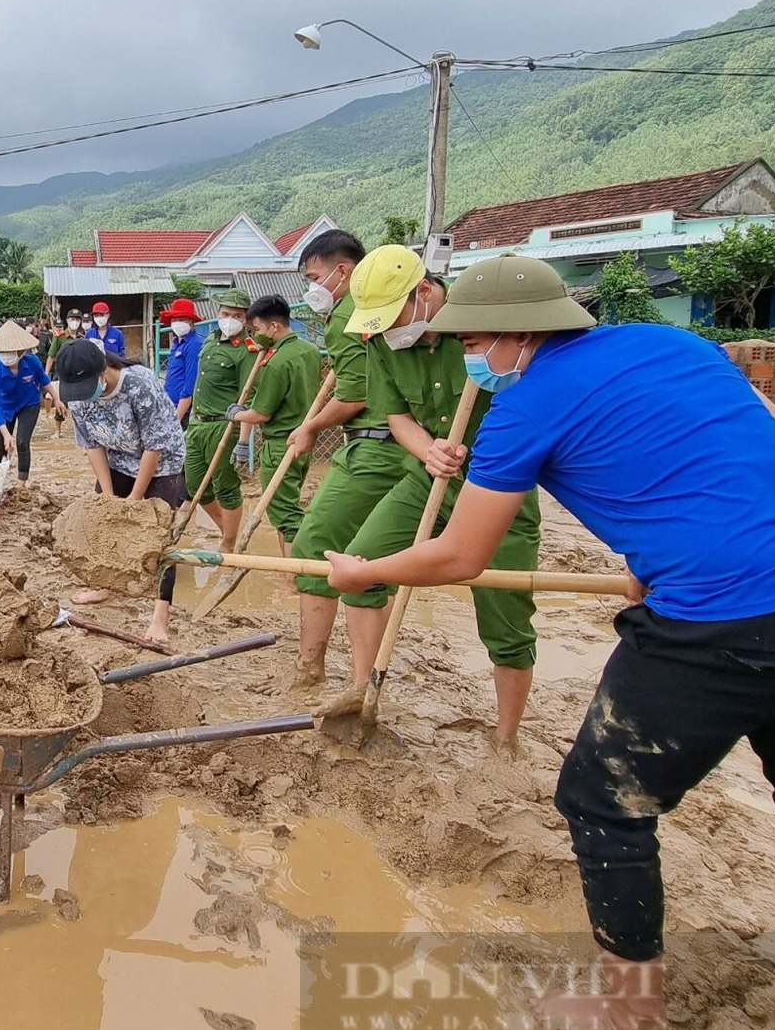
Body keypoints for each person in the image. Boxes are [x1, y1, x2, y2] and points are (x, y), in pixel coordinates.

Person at [324, 254, 775, 1030]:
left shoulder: (527, 408)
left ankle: (631, 1012)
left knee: (602, 801)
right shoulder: (685, 347)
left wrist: (366, 570)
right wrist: (647, 557)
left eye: (479, 342)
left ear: (521, 334)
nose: (474, 360)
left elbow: (460, 556)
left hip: (726, 626)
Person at [303, 247, 545, 738]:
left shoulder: (486, 335)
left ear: (426, 292)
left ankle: (506, 736)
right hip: (428, 478)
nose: (390, 331)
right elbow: (397, 416)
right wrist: (428, 451)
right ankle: (362, 689)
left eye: (395, 317)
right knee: (361, 566)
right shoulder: (380, 341)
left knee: (506, 618)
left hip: (501, 487)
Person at [282, 230, 398, 689]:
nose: (312, 287)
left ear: (343, 271)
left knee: (315, 546)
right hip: (406, 445)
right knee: (368, 559)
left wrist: (310, 427)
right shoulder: (379, 312)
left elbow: (355, 396)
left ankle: (310, 666)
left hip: (375, 446)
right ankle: (363, 680)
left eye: (314, 276)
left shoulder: (349, 315)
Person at [56, 339, 187, 646]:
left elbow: (155, 445)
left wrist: (133, 500)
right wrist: (109, 497)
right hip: (116, 458)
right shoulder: (76, 396)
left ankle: (159, 616)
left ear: (103, 370)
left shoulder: (140, 384)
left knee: (158, 538)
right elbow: (91, 445)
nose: (83, 396)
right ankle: (106, 585)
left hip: (161, 461)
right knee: (102, 522)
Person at [229, 294, 324, 548]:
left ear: (274, 326)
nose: (255, 334)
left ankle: (296, 577)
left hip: (280, 444)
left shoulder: (278, 362)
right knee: (288, 506)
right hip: (304, 440)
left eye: (257, 329)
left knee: (285, 516)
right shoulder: (310, 351)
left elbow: (261, 413)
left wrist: (236, 414)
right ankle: (291, 572)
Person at [181, 288, 259, 540]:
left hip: (223, 426)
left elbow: (248, 398)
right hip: (198, 424)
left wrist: (244, 441)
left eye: (237, 315)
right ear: (217, 313)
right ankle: (228, 531)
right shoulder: (210, 340)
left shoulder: (246, 351)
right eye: (225, 313)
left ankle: (228, 544)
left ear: (245, 319)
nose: (230, 319)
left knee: (226, 487)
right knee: (195, 487)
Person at [0, 319, 51, 483]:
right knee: (2, 445)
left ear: (21, 351)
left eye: (11, 352)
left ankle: (21, 484)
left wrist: (56, 398)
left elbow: (44, 380)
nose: (6, 356)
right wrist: (6, 435)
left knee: (21, 442)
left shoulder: (32, 362)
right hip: (6, 408)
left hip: (29, 404)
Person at [159, 297, 203, 421]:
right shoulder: (178, 343)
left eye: (182, 319)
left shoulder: (194, 344)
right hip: (170, 405)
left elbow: (190, 385)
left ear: (191, 321)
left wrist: (176, 421)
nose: (178, 322)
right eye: (174, 319)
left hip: (184, 411)